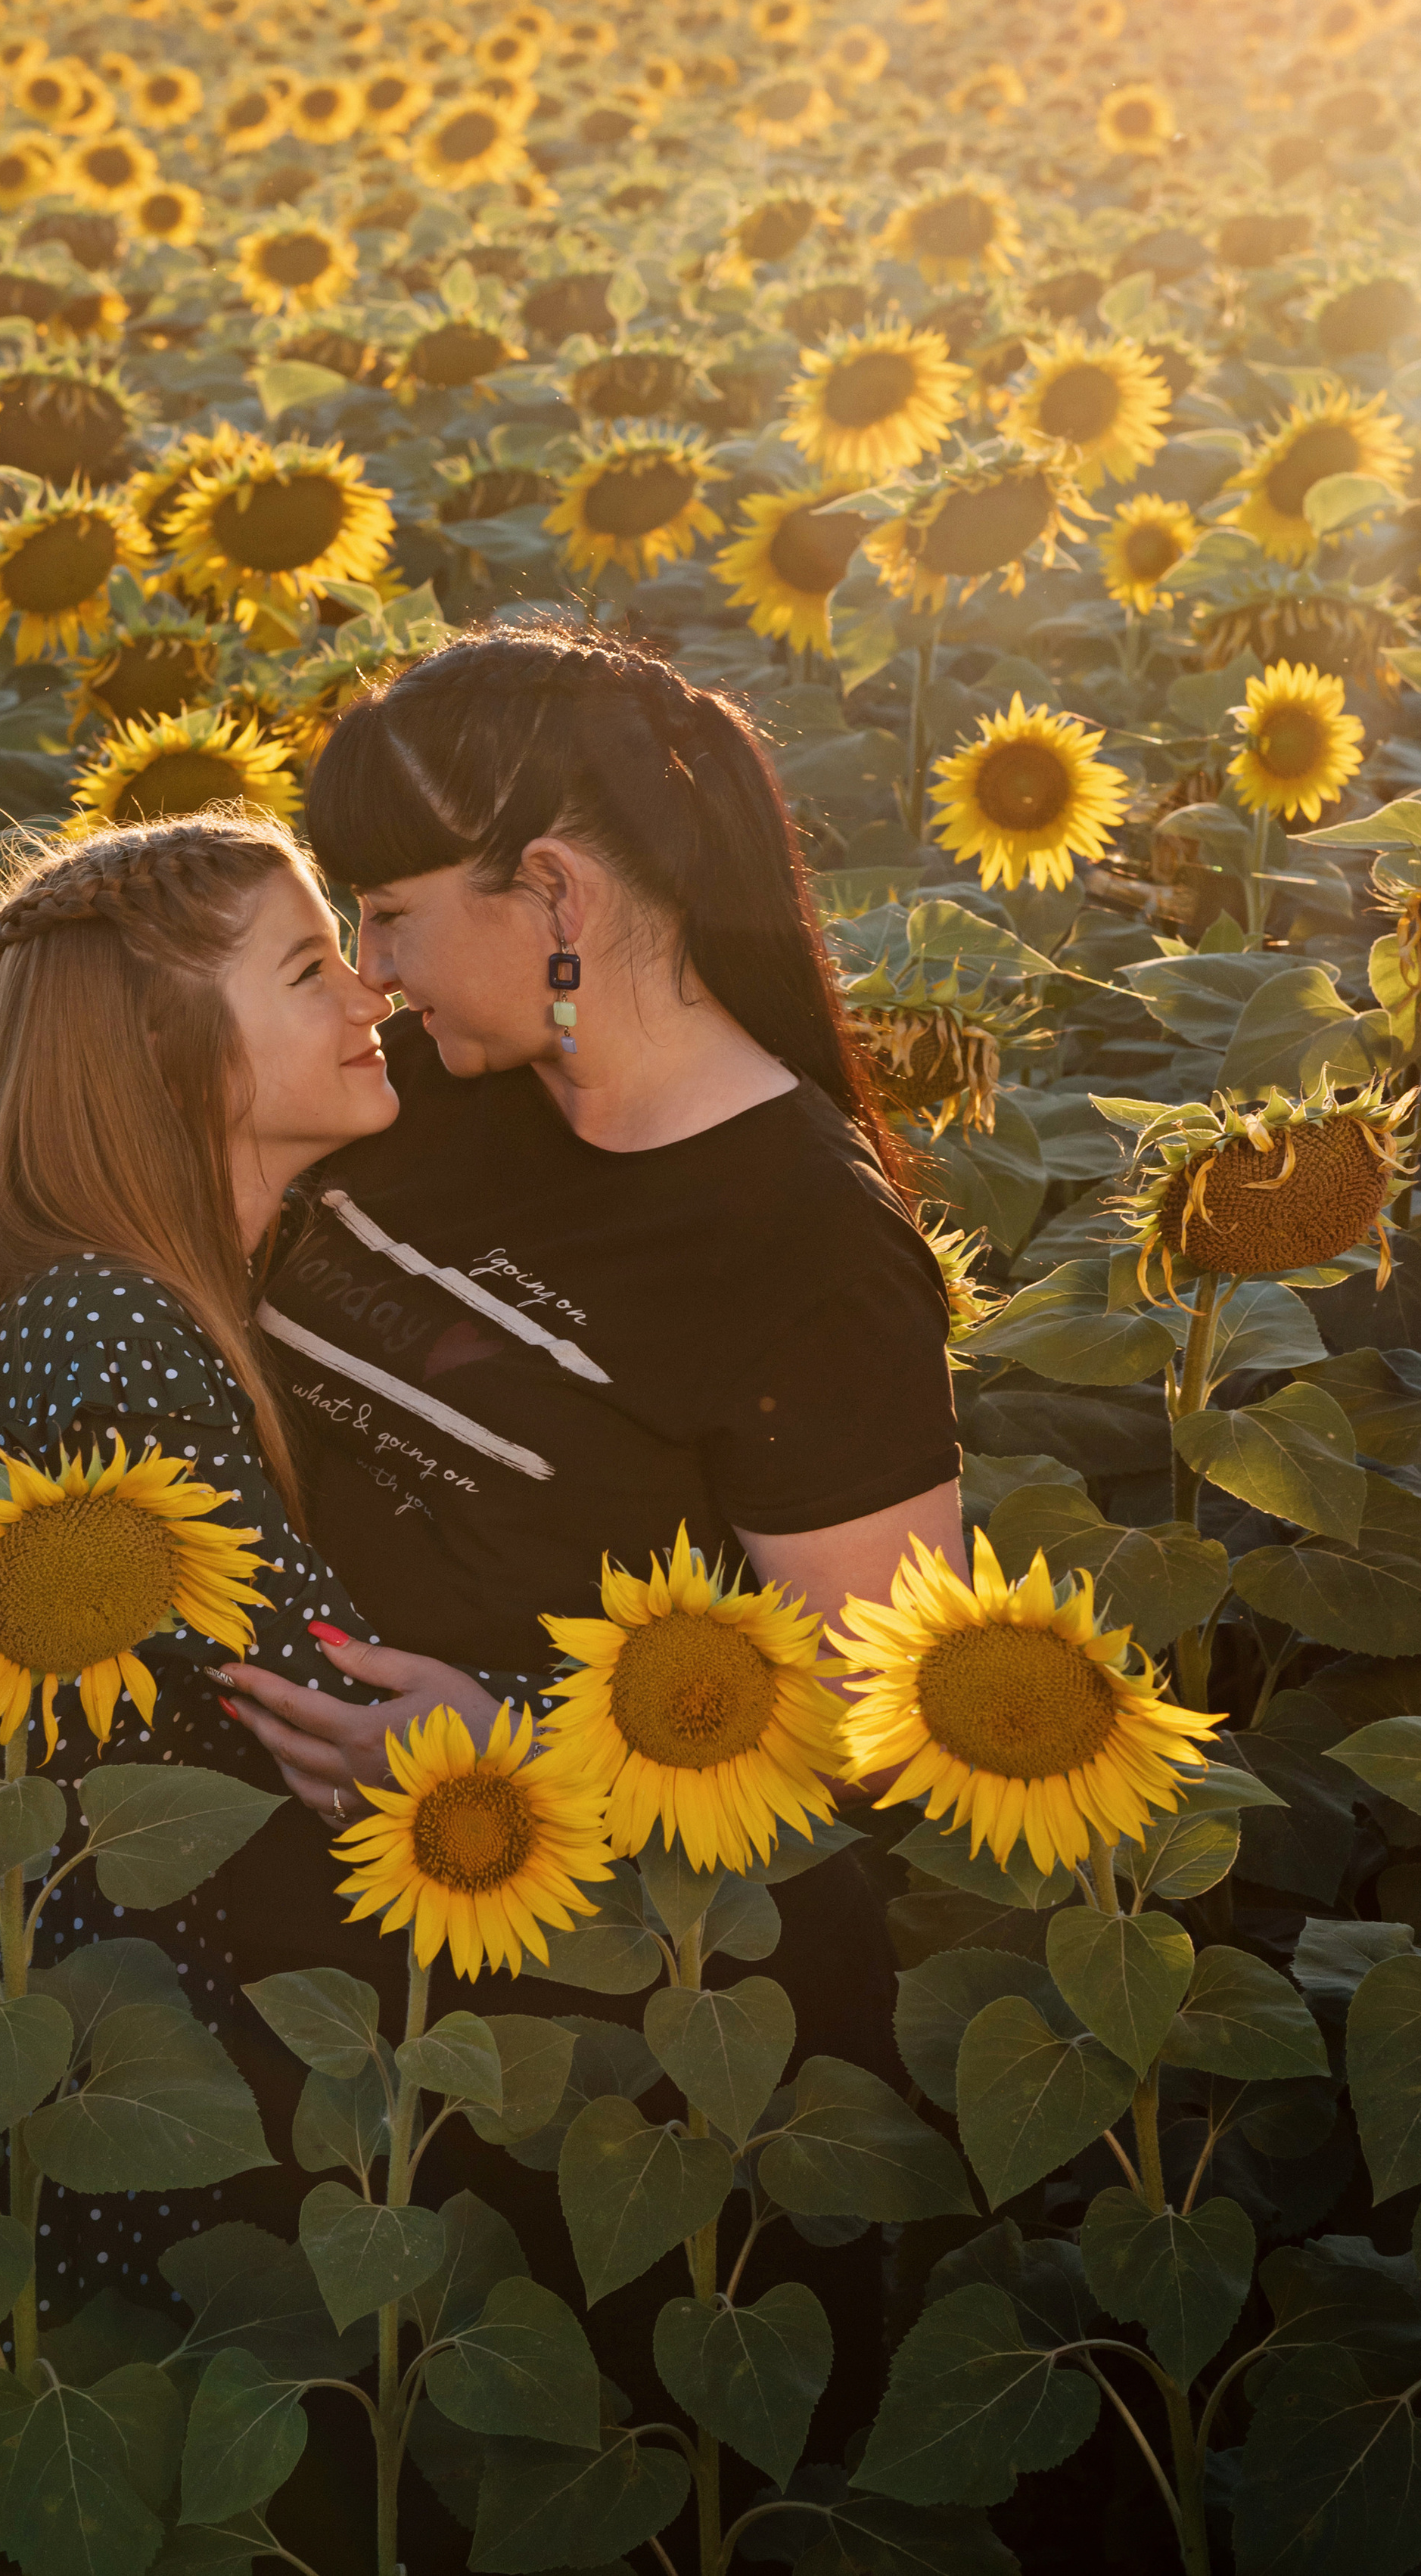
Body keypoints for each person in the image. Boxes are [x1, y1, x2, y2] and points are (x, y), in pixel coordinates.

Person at [218, 626, 969, 2478]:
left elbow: (863, 1712)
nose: (369, 973)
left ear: (547, 890)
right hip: (278, 1953)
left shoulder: (801, 1244)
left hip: (581, 2032)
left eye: (386, 914)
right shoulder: (435, 1107)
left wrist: (502, 1757)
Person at [0, 808, 415, 2510]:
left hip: (85, 2016)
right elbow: (314, 1697)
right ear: (166, 1052)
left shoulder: (133, 1292)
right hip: (67, 2054)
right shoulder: (110, 1318)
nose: (370, 990)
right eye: (307, 967)